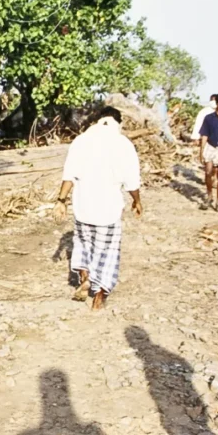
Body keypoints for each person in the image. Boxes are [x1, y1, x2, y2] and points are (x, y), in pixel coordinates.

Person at [53, 107, 143, 311]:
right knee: (107, 253)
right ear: (118, 122)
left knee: (84, 246)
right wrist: (137, 201)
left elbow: (69, 174)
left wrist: (61, 200)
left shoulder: (81, 140)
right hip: (108, 209)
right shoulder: (123, 144)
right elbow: (131, 181)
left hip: (83, 205)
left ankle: (85, 279)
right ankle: (98, 297)